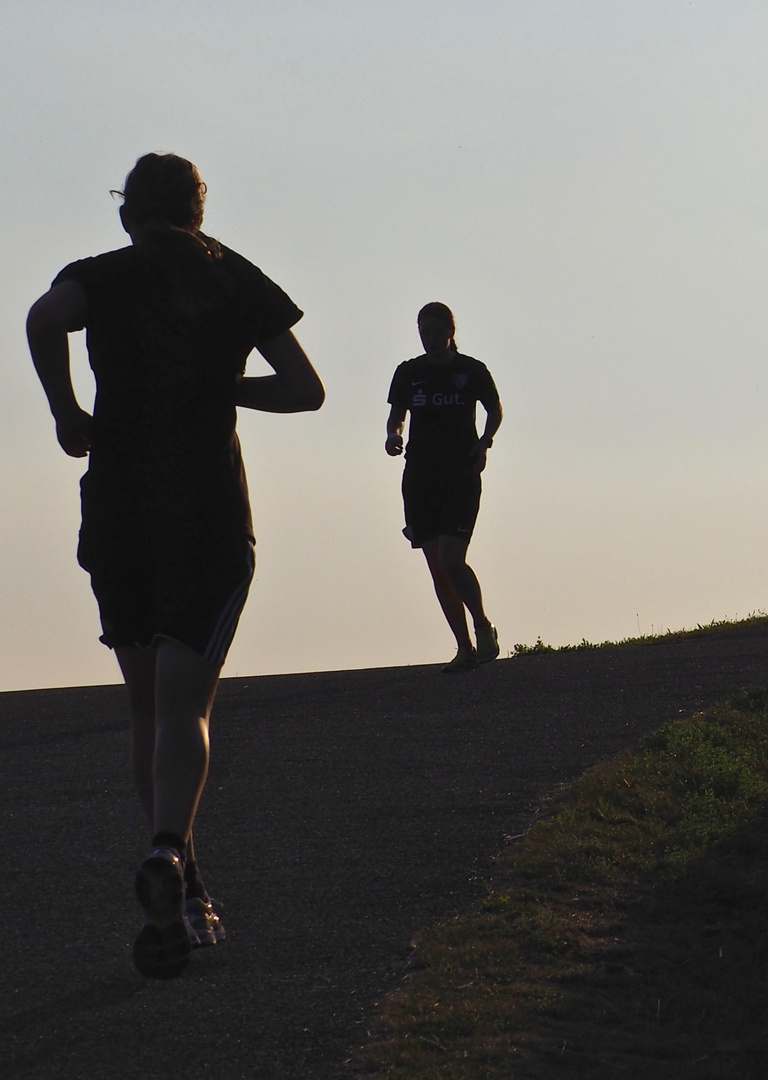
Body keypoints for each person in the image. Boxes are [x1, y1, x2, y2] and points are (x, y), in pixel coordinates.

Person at [27, 153, 325, 978]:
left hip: (120, 510)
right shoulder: (234, 278)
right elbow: (305, 389)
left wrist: (66, 411)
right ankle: (169, 856)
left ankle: (184, 884)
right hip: (205, 514)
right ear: (198, 209)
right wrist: (221, 386)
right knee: (186, 707)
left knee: (145, 708)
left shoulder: (99, 276)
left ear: (130, 211)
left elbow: (42, 320)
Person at [385, 302, 502, 672]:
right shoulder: (408, 373)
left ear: (451, 332)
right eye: (424, 333)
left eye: (437, 332)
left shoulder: (471, 370)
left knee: (453, 559)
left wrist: (484, 442)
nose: (431, 340)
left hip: (460, 475)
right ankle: (463, 646)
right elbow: (397, 415)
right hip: (420, 476)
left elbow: (495, 409)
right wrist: (393, 435)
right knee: (437, 566)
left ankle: (483, 626)